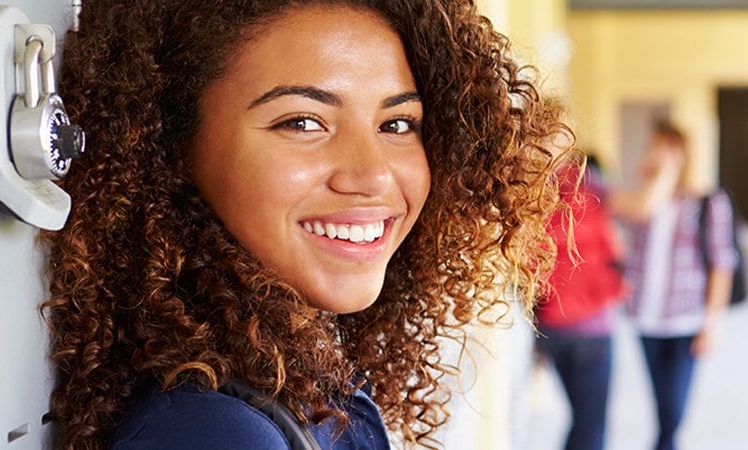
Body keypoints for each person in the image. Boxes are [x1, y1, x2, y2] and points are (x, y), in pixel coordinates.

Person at [41, 1, 569, 449]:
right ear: (168, 144)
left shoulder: (299, 377)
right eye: (302, 122)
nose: (371, 175)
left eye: (397, 124)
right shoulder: (213, 431)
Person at [614, 121, 737, 450]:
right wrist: (651, 177)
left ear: (683, 155)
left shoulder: (707, 203)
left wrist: (712, 324)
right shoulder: (643, 202)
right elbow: (620, 215)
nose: (657, 154)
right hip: (646, 317)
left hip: (685, 319)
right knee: (662, 405)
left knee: (673, 411)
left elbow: (722, 266)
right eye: (653, 147)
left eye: (666, 148)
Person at [535, 155, 626, 450]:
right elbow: (617, 247)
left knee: (581, 417)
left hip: (552, 327)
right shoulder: (592, 191)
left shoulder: (536, 196)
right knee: (591, 422)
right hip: (592, 328)